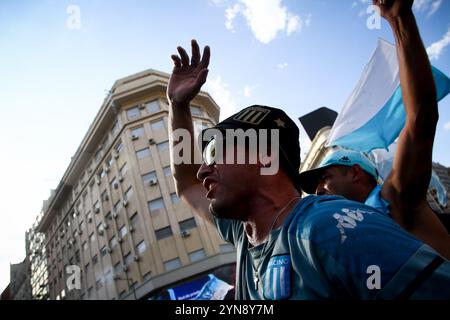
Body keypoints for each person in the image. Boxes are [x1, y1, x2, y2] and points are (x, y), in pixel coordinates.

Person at [167, 0, 450, 299]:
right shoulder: (245, 237)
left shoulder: (330, 228)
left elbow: (419, 118)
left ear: (264, 156)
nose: (202, 167)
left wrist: (399, 20)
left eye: (215, 153)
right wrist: (178, 106)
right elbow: (186, 182)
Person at [299, 0, 450, 259]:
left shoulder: (396, 197)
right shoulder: (345, 236)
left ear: (355, 172)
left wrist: (398, 19)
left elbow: (420, 119)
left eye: (326, 178)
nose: (318, 191)